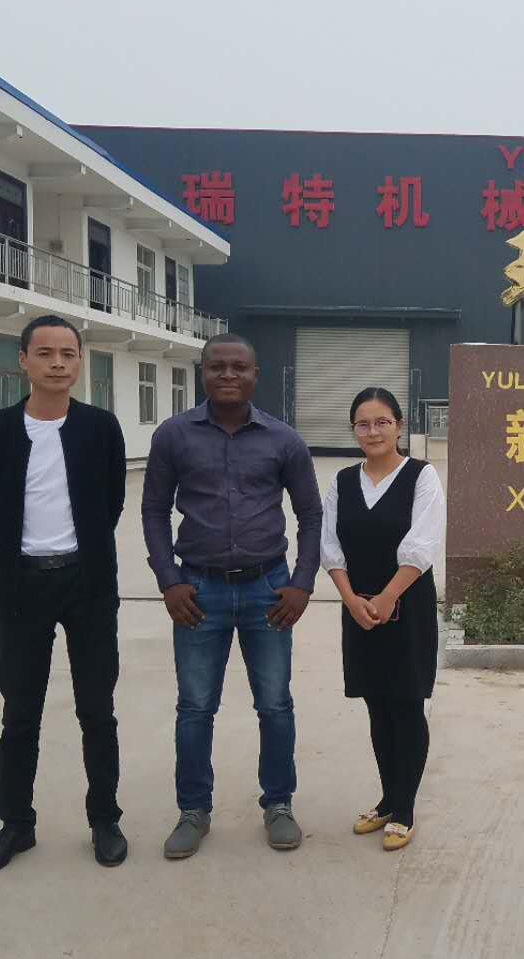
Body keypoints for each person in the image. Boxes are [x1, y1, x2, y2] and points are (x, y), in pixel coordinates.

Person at [142, 333, 322, 859]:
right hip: (198, 592)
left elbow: (310, 514)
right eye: (216, 366)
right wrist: (169, 580)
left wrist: (301, 582)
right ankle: (193, 811)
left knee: (275, 704)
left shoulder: (284, 440)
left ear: (254, 374)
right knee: (196, 707)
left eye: (238, 367)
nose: (227, 375)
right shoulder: (174, 436)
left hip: (269, 590)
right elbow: (154, 510)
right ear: (202, 373)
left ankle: (279, 805)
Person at [0, 315, 128, 876]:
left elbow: (110, 504)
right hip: (20, 586)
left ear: (80, 361)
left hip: (88, 585)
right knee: (20, 712)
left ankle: (105, 819)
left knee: (97, 710)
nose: (58, 363)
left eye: (68, 354)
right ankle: (16, 823)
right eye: (45, 353)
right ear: (23, 361)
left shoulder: (100, 428)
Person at [322, 387, 444, 852]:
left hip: (406, 608)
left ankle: (405, 808)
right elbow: (329, 545)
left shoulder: (421, 476)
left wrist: (390, 596)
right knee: (377, 703)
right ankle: (387, 799)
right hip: (359, 609)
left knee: (406, 704)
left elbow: (422, 543)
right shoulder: (342, 481)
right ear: (354, 430)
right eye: (363, 424)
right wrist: (351, 600)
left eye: (382, 422)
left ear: (398, 425)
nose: (372, 432)